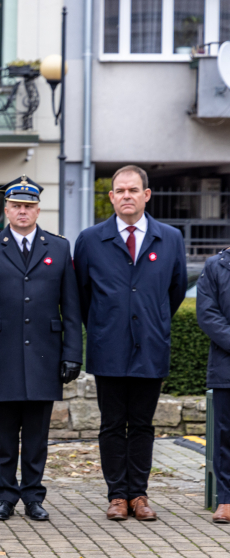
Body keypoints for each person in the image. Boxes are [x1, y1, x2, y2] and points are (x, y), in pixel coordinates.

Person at [74, 165, 187, 522]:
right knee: (111, 424)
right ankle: (116, 496)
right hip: (109, 347)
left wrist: (151, 322)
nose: (126, 196)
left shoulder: (169, 238)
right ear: (110, 197)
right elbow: (82, 295)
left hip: (150, 347)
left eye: (133, 190)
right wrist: (108, 324)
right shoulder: (91, 239)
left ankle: (138, 494)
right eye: (119, 190)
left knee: (142, 425)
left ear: (146, 195)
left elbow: (175, 290)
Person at [0, 177, 82, 522]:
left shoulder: (59, 248)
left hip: (44, 355)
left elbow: (71, 307)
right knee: (3, 436)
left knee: (37, 435)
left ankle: (33, 496)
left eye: (29, 206)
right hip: (1, 354)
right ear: (6, 209)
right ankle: (6, 496)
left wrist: (73, 353)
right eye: (16, 205)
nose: (22, 211)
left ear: (37, 209)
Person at [195, 247, 230, 523]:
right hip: (226, 368)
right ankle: (226, 499)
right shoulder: (214, 266)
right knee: (225, 436)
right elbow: (208, 315)